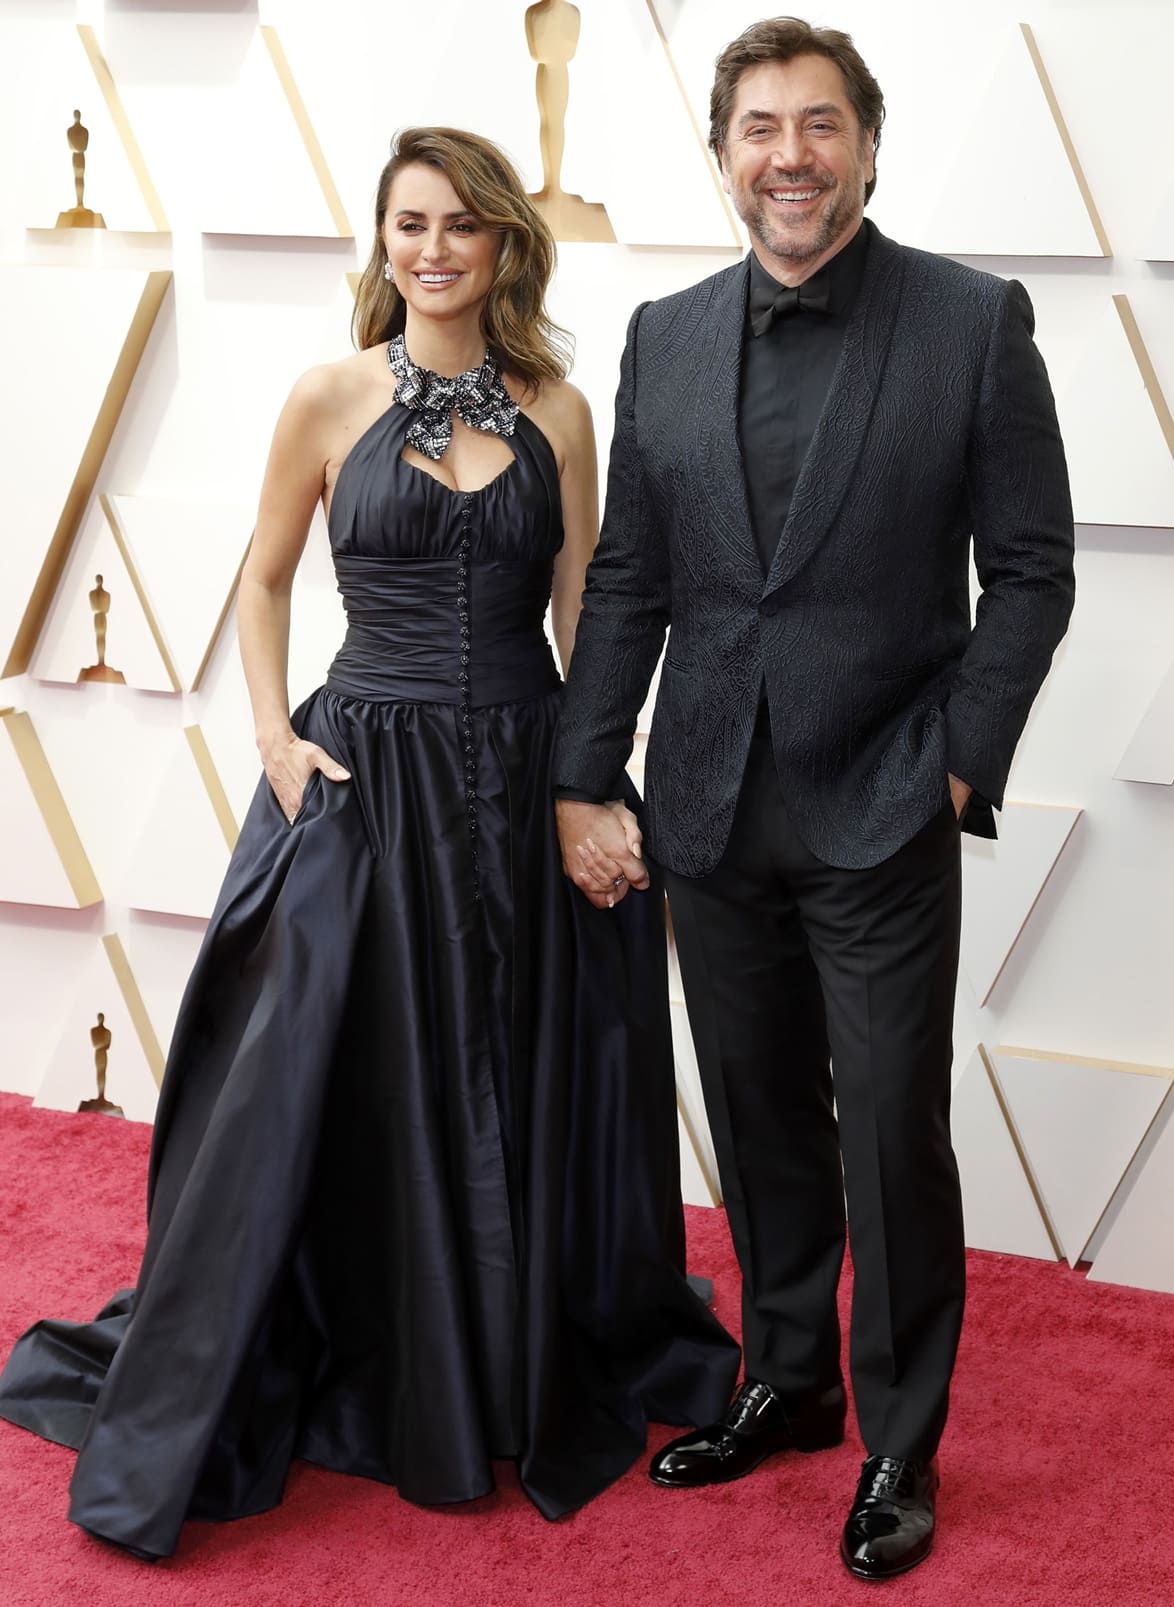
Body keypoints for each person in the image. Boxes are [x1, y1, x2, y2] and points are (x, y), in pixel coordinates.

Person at [0, 126, 739, 1561]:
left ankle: (514, 1346)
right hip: (372, 769)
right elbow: (267, 579)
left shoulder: (562, 410)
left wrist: (601, 777)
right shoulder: (327, 396)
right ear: (382, 239)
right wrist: (275, 740)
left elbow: (586, 609)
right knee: (352, 1074)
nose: (435, 249)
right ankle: (392, 1345)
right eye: (410, 224)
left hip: (526, 773)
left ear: (503, 242)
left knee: (526, 1062)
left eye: (462, 225)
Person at [553, 17, 1074, 1583]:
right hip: (708, 803)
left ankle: (901, 1442)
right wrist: (588, 772)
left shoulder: (973, 324)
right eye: (762, 128)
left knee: (891, 1136)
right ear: (723, 157)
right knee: (763, 1113)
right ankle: (788, 1379)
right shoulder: (666, 332)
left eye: (821, 124)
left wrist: (960, 760)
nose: (792, 153)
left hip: (882, 801)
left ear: (867, 142)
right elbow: (634, 572)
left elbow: (1033, 571)